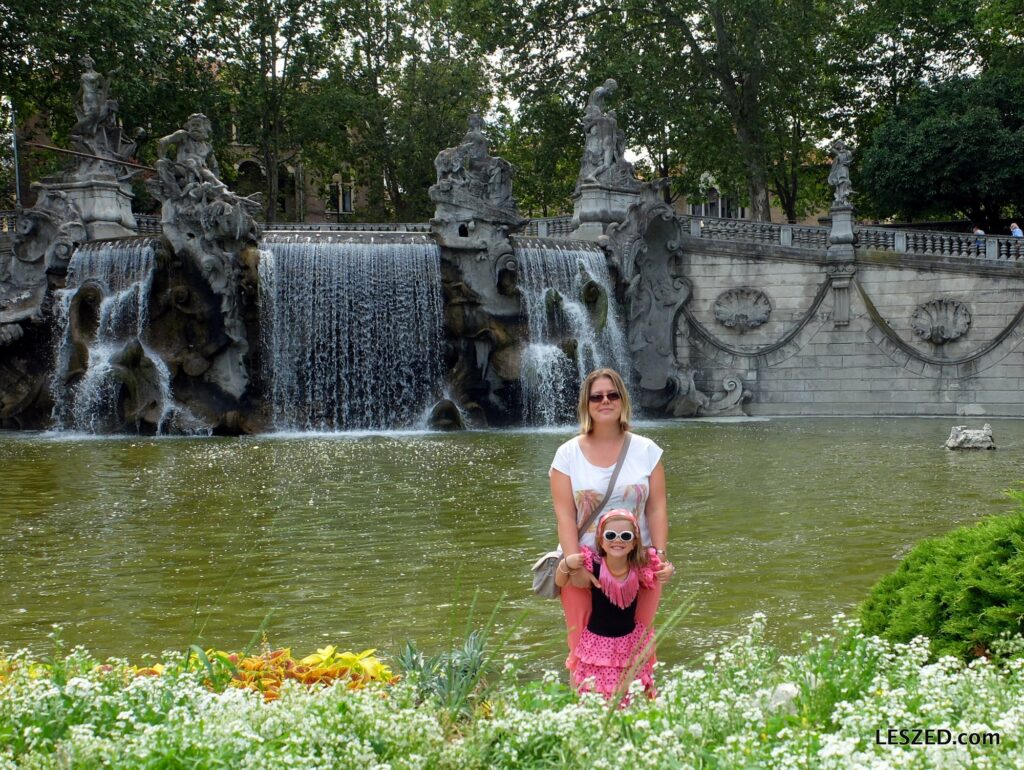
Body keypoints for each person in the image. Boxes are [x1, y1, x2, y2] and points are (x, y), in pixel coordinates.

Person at [549, 368, 674, 680]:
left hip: (638, 564)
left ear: (622, 399)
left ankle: (638, 711)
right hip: (586, 566)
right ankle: (588, 714)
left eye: (612, 394)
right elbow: (565, 515)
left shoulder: (647, 451)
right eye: (596, 396)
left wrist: (659, 556)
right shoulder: (567, 455)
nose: (605, 401)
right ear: (586, 404)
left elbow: (657, 508)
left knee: (640, 644)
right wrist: (572, 563)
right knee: (581, 646)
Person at [555, 509, 661, 699]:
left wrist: (668, 569)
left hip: (629, 639)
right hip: (598, 640)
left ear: (634, 542)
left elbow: (661, 571)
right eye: (610, 535)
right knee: (596, 685)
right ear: (601, 541)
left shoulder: (638, 568)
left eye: (625, 536)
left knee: (631, 683)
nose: (617, 540)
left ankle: (630, 713)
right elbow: (561, 582)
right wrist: (566, 564)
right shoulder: (594, 565)